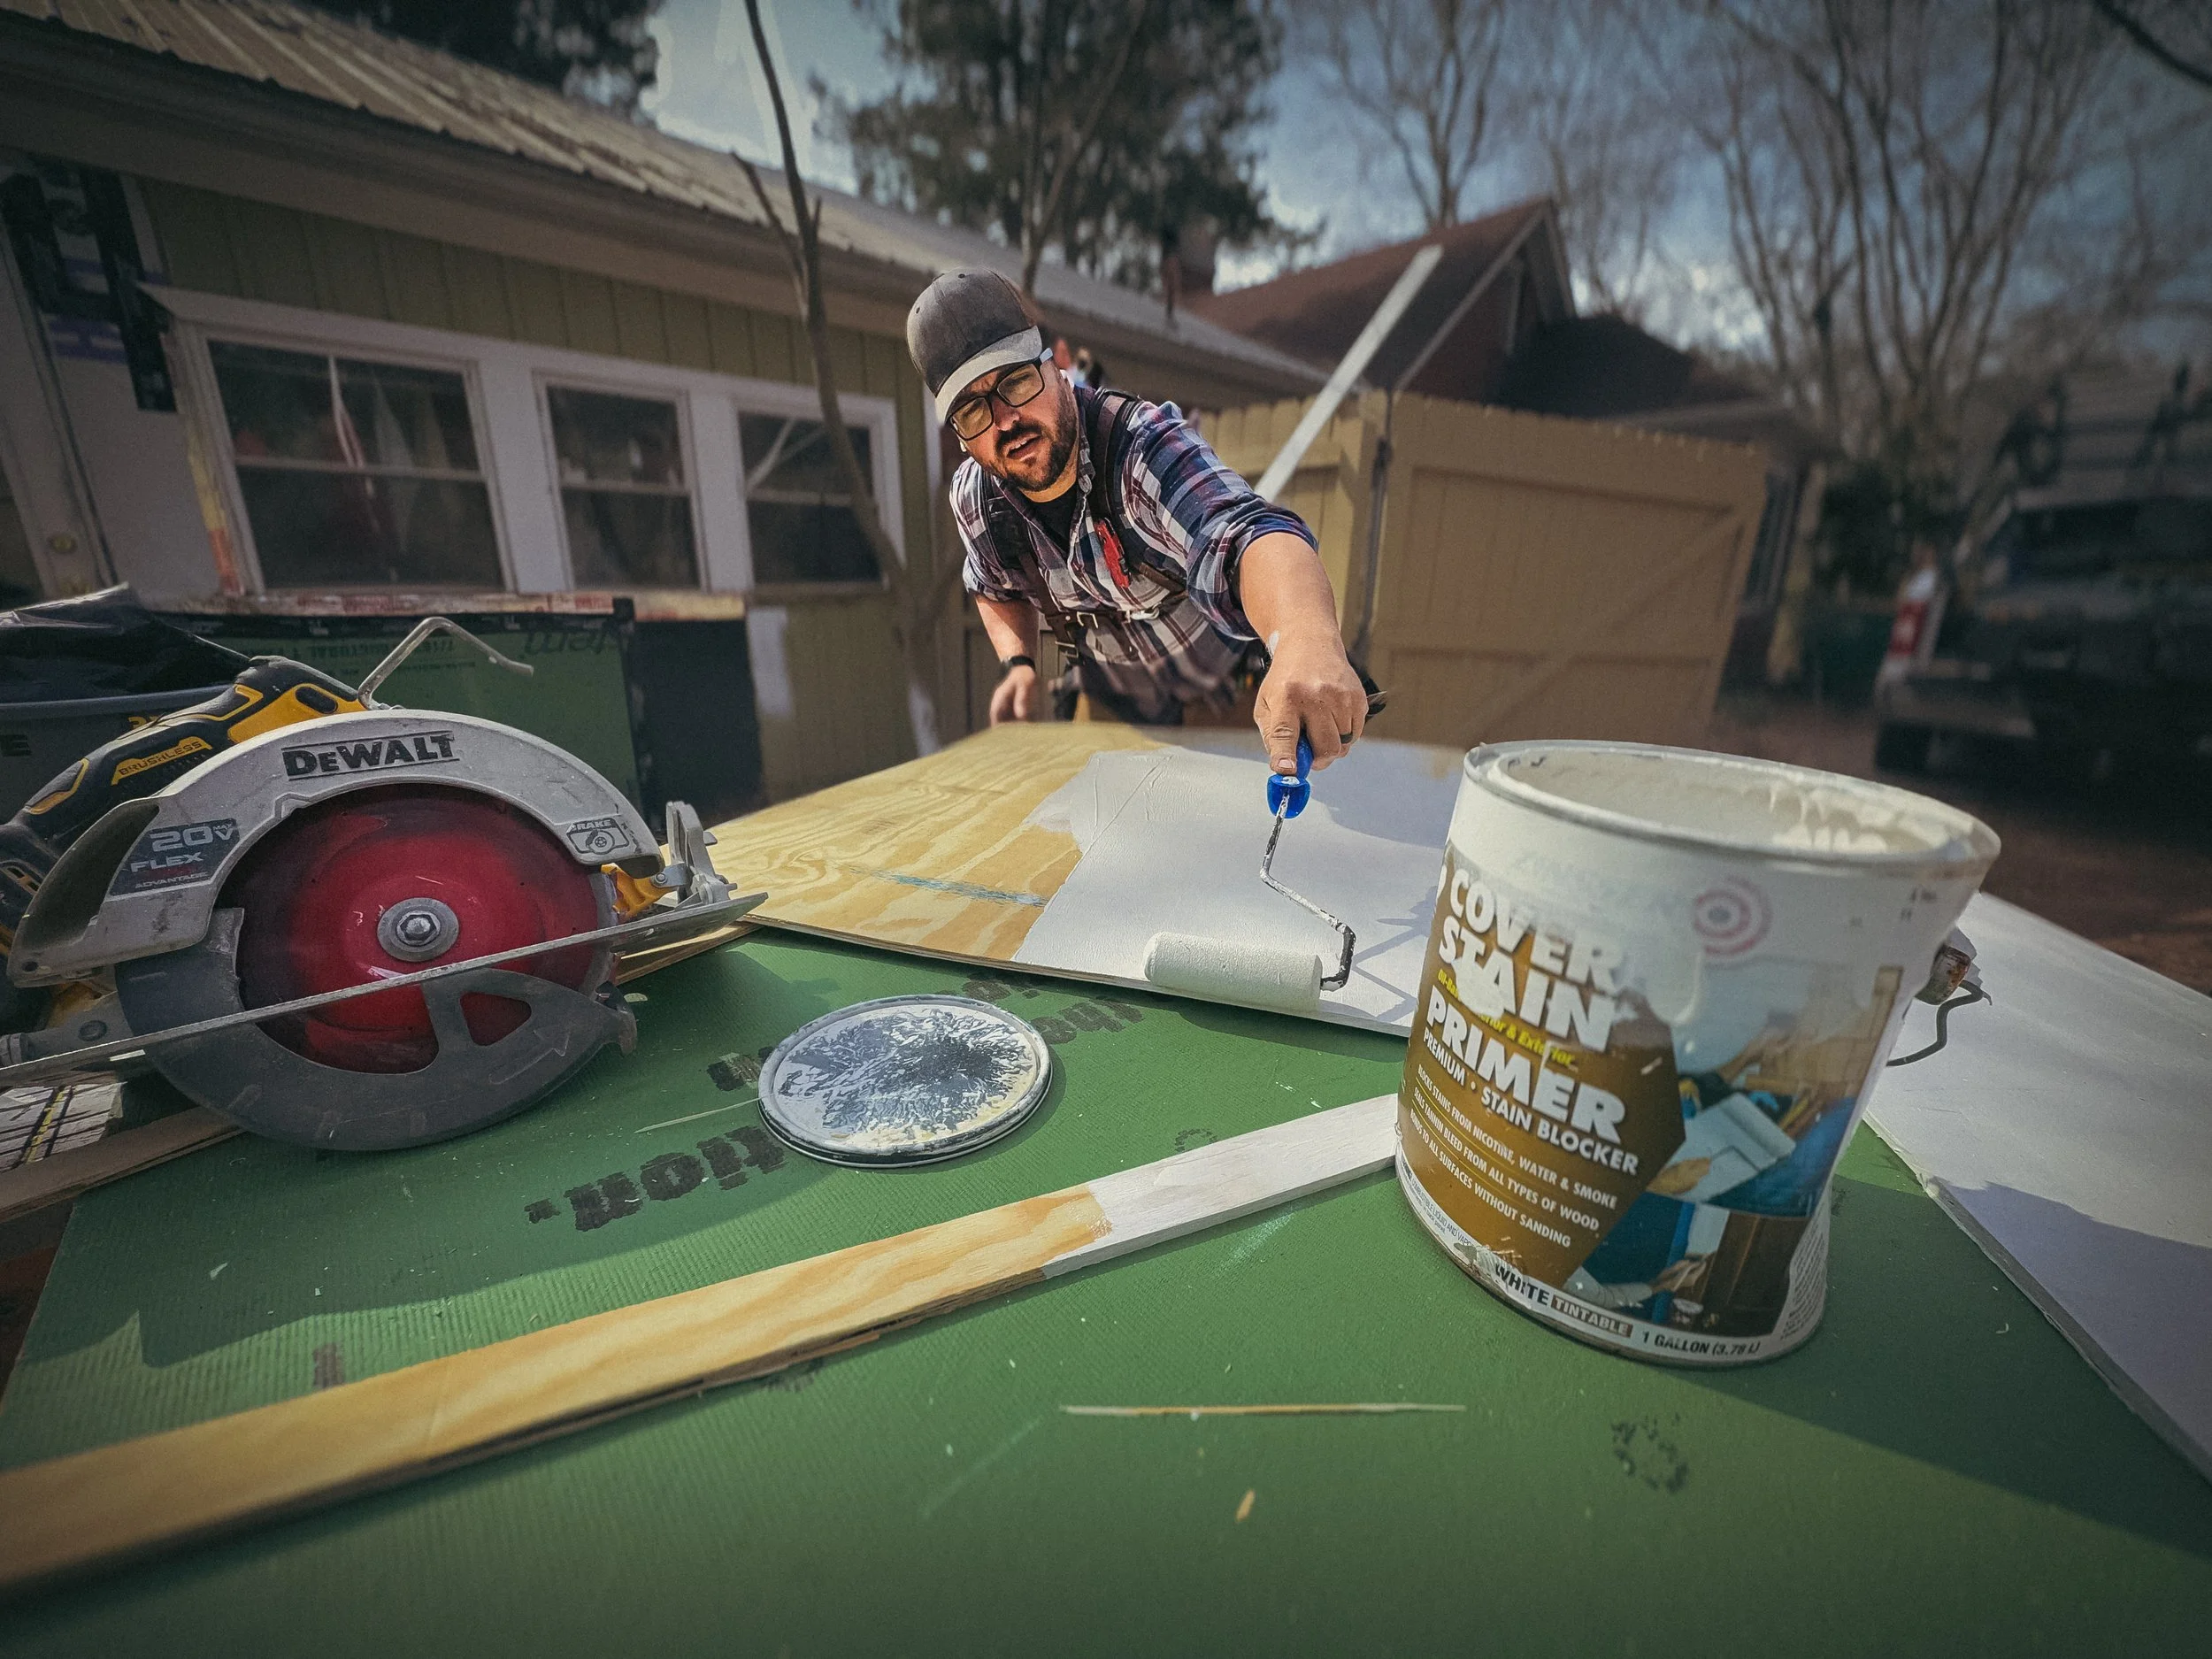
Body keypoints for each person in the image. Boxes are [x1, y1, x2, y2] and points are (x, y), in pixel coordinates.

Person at [906, 268, 1369, 776]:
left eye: (1016, 381)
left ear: (1058, 366)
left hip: (1229, 700)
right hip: (1114, 706)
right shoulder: (976, 499)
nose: (1005, 420)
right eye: (972, 412)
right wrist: (1019, 664)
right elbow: (993, 587)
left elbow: (1243, 537)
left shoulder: (1140, 452)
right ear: (960, 435)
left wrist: (1304, 640)